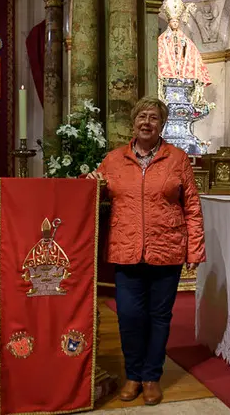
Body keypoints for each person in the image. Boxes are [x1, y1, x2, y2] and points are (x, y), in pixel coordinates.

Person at [87, 96, 206, 405]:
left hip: (167, 250)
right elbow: (91, 195)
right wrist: (90, 182)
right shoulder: (113, 160)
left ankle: (151, 377)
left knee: (159, 316)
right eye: (142, 116)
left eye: (153, 117)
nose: (147, 122)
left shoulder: (178, 159)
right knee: (128, 315)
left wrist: (194, 250)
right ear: (133, 121)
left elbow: (192, 207)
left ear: (162, 123)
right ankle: (133, 374)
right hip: (125, 250)